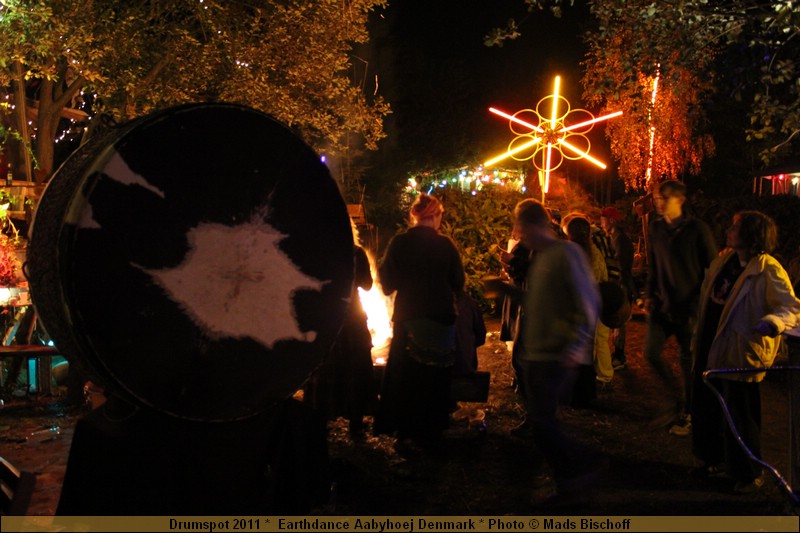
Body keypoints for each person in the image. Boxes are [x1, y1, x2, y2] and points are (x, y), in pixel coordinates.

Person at [690, 211, 800, 494]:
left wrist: (774, 322)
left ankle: (747, 472)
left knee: (740, 413)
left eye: (737, 226)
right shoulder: (725, 261)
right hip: (711, 344)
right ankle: (712, 459)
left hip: (740, 351)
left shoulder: (767, 269)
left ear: (751, 234)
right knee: (708, 405)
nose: (730, 229)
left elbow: (791, 306)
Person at [512, 199, 606, 503]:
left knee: (542, 423)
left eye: (522, 227)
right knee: (542, 422)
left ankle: (583, 466)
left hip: (556, 356)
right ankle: (571, 479)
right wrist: (510, 293)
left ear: (535, 225)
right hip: (539, 354)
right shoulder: (543, 257)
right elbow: (542, 302)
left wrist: (575, 346)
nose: (520, 234)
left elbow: (588, 301)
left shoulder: (566, 254)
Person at [374, 193, 466, 452]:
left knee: (408, 376)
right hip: (441, 319)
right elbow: (458, 283)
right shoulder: (446, 245)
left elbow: (388, 282)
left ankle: (406, 431)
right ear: (436, 216)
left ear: (413, 216)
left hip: (410, 316)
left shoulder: (400, 243)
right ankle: (433, 429)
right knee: (436, 376)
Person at [645, 180, 717, 436]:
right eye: (656, 197)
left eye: (663, 197)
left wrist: (700, 302)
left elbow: (712, 267)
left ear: (680, 199)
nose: (659, 202)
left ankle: (689, 412)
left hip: (689, 308)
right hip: (662, 306)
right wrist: (650, 294)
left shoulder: (697, 229)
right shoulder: (655, 229)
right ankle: (677, 398)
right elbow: (654, 265)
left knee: (688, 362)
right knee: (651, 353)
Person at [303, 221, 376, 436]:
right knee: (355, 367)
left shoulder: (318, 254)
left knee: (325, 367)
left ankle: (320, 419)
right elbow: (367, 284)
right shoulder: (356, 253)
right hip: (351, 316)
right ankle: (355, 421)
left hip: (325, 318)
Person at [564, 215, 611, 403]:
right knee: (586, 353)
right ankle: (586, 394)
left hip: (575, 309)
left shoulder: (569, 252)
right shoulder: (595, 253)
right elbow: (603, 279)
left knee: (574, 352)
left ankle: (574, 394)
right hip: (591, 308)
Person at [600, 206, 636, 369]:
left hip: (621, 284)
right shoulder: (614, 238)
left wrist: (619, 285)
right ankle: (617, 354)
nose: (601, 223)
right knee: (616, 322)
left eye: (604, 220)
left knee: (619, 322)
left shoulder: (620, 240)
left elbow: (621, 265)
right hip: (618, 284)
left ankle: (620, 356)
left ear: (611, 221)